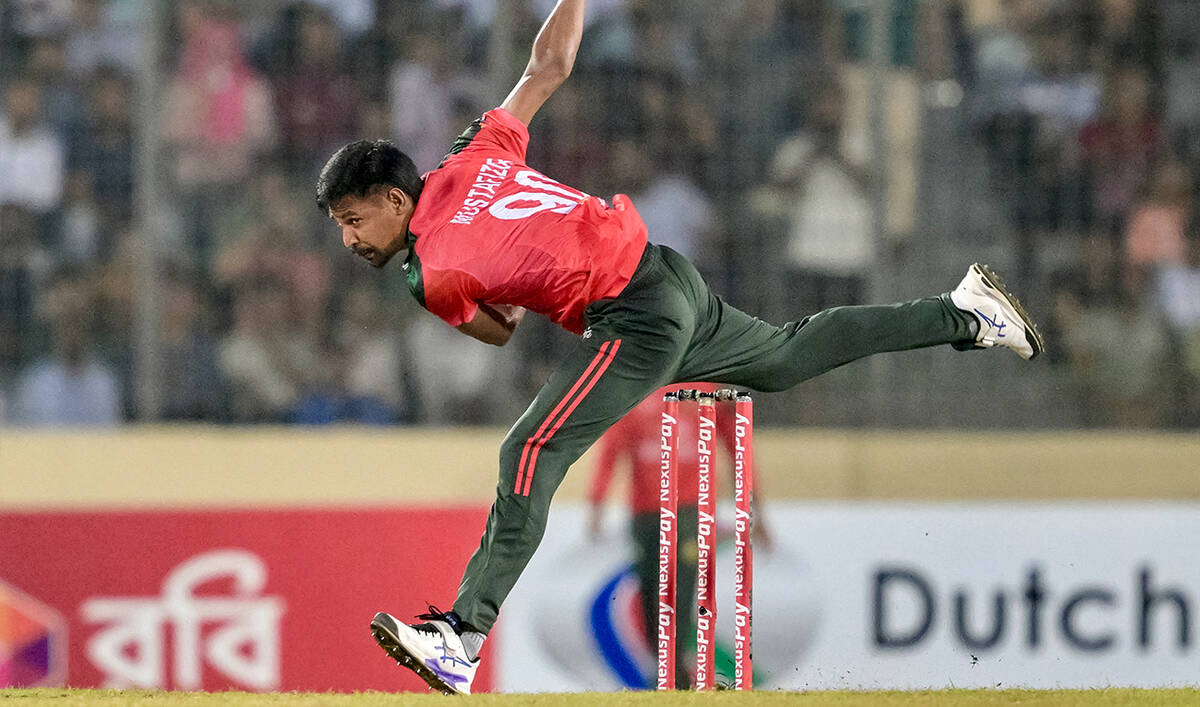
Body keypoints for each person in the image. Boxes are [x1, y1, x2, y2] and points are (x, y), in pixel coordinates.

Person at [314, 0, 1044, 695]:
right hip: (667, 273)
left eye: (353, 219)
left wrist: (508, 286)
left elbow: (500, 329)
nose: (349, 240)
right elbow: (548, 67)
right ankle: (962, 314)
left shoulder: (430, 273)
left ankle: (460, 637)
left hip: (630, 315)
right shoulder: (471, 152)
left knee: (529, 449)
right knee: (786, 357)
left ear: (395, 200)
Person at [587, 382, 771, 688]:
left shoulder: (708, 393)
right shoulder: (637, 391)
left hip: (690, 512)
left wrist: (757, 510)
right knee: (649, 594)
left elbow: (739, 449)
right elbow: (611, 449)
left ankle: (671, 675)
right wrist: (597, 503)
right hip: (645, 515)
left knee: (679, 590)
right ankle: (670, 672)